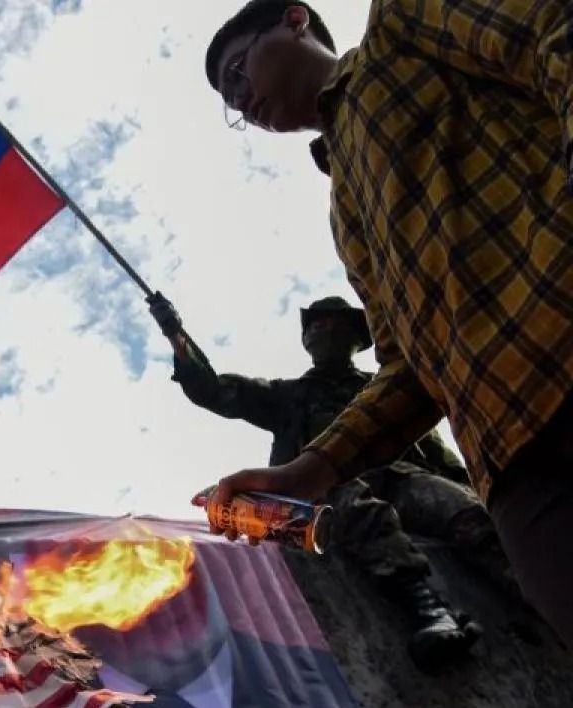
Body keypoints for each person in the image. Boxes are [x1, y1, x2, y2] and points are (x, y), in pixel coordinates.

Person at [195, 0, 573, 642]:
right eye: (229, 101)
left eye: (237, 69)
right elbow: (410, 367)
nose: (239, 100)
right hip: (519, 474)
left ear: (294, 20)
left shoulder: (402, 25)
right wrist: (308, 473)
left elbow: (552, 29)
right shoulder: (346, 213)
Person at [157, 295, 530, 666]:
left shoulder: (385, 388)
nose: (325, 328)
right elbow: (215, 391)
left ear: (357, 337)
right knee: (353, 507)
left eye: (336, 322)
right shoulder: (287, 396)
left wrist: (480, 492)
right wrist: (177, 335)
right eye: (317, 323)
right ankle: (426, 607)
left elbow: (436, 453)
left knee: (465, 513)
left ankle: (541, 598)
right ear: (306, 340)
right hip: (329, 489)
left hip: (404, 479)